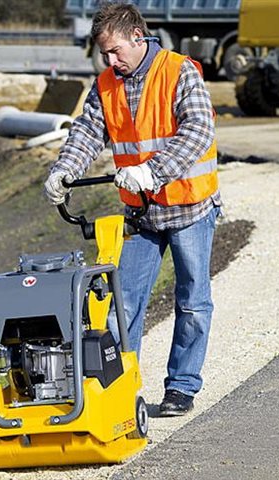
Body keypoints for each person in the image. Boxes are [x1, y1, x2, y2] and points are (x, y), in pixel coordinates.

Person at [44, 2, 220, 417]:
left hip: (189, 206)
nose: (110, 60)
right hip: (142, 215)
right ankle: (123, 388)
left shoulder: (180, 71)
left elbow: (198, 129)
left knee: (193, 301)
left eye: (115, 51)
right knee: (122, 304)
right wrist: (63, 170)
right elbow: (88, 132)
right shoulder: (105, 83)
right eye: (104, 54)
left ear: (138, 38)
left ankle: (181, 387)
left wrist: (152, 171)